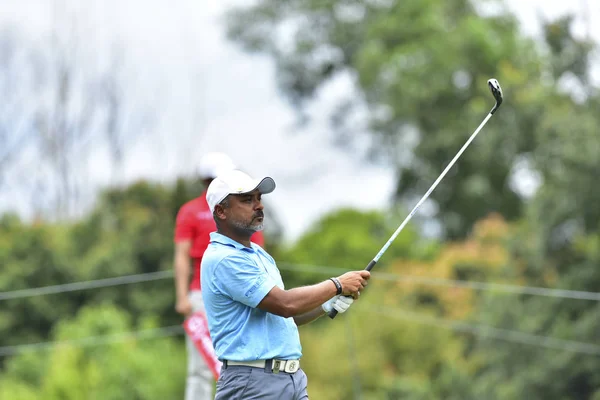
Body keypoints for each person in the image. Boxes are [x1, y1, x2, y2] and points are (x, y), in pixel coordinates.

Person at [201, 169, 371, 399]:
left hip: (292, 380)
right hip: (252, 383)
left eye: (259, 198)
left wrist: (325, 306)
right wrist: (337, 284)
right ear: (221, 211)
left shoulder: (259, 254)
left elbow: (285, 316)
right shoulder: (223, 258)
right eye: (247, 200)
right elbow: (285, 304)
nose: (259, 205)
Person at [173, 153, 266, 400]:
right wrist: (182, 297)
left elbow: (258, 251)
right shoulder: (190, 211)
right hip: (201, 296)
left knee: (244, 360)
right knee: (201, 365)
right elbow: (182, 255)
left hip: (241, 291)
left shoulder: (241, 209)